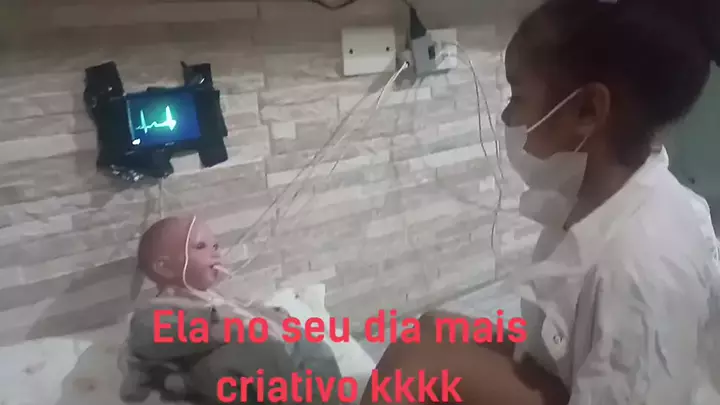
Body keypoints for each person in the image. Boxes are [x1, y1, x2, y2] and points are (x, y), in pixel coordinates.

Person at [359, 0, 720, 404]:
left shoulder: (643, 266)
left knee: (416, 368)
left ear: (587, 110)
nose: (507, 118)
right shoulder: (604, 198)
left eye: (517, 97)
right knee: (428, 331)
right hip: (573, 375)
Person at [120, 216, 342, 405]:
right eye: (201, 246)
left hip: (269, 368)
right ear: (165, 267)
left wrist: (273, 316)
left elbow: (246, 310)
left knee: (310, 344)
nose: (215, 254)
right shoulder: (158, 308)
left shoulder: (218, 297)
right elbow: (147, 337)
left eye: (216, 246)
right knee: (259, 351)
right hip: (212, 373)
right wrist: (216, 327)